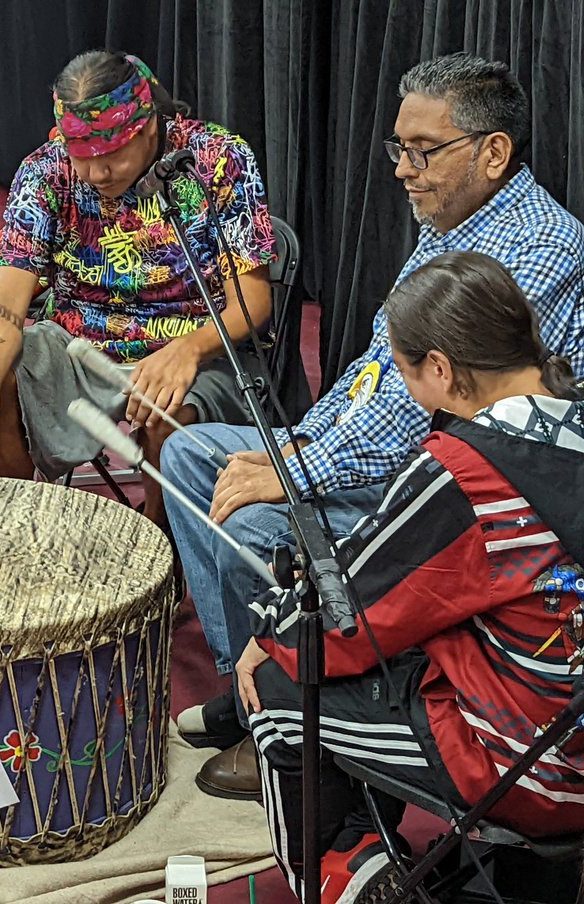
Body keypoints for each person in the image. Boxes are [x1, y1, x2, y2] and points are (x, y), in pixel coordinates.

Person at [168, 53, 584, 798]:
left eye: (424, 151)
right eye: (399, 148)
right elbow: (373, 376)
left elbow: (435, 405)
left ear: (494, 152)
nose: (403, 169)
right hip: (392, 460)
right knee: (194, 454)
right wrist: (298, 443)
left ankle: (290, 717)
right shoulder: (450, 219)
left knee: (263, 530)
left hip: (450, 486)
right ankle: (254, 681)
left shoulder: (542, 245)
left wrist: (295, 471)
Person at [238, 250, 584, 903]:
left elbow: (352, 615)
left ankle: (340, 877)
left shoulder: (468, 470)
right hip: (567, 718)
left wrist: (269, 633)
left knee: (284, 685)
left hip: (539, 773)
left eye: (403, 371)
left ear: (442, 370)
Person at [0, 49, 276, 524]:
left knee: (166, 414)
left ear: (147, 127)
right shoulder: (46, 171)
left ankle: (161, 549)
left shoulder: (217, 159)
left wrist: (186, 351)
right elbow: (5, 296)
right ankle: (29, 521)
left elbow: (253, 301)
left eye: (110, 156)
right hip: (79, 343)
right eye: (81, 158)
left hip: (191, 341)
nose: (96, 174)